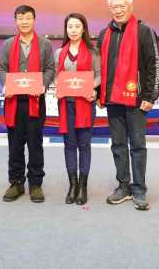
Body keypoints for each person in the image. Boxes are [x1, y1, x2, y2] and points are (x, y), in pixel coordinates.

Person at [97, 0, 159, 211]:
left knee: (137, 146)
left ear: (130, 7)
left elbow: (154, 65)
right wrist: (99, 93)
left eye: (121, 6)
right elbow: (99, 68)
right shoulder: (104, 34)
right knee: (118, 145)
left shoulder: (144, 32)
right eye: (114, 7)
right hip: (112, 101)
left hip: (137, 100)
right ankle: (123, 186)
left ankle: (139, 189)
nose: (118, 10)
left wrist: (151, 96)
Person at [0, 5, 55, 203]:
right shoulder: (8, 44)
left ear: (34, 20)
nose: (24, 21)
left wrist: (42, 85)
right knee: (15, 144)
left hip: (35, 101)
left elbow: (50, 68)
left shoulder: (45, 44)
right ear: (16, 21)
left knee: (35, 143)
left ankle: (36, 184)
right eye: (20, 18)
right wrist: (7, 84)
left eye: (28, 18)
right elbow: (2, 68)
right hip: (14, 102)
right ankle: (16, 182)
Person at [54, 13, 100, 205]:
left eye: (77, 26)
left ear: (83, 29)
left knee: (84, 145)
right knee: (69, 144)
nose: (73, 30)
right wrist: (58, 87)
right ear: (66, 29)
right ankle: (72, 185)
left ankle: (83, 186)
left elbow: (99, 75)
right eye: (70, 26)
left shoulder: (93, 52)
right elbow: (56, 75)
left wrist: (91, 88)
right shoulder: (59, 52)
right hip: (66, 104)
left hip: (85, 104)